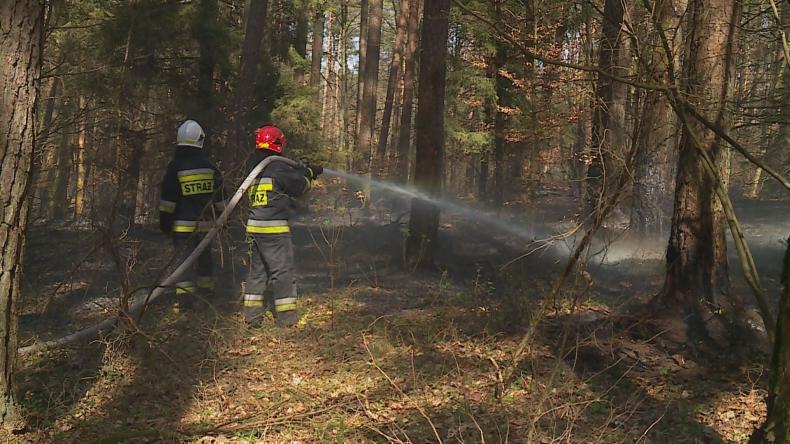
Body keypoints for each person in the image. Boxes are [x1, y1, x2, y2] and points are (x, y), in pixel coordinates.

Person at [242, 125, 322, 327]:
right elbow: (300, 186)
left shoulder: (253, 168)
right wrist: (309, 172)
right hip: (274, 231)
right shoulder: (278, 167)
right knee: (282, 272)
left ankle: (252, 318)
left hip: (253, 229)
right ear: (278, 143)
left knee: (256, 274)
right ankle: (286, 320)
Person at [158, 119, 223, 309]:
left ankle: (185, 301)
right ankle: (206, 295)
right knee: (205, 260)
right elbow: (221, 198)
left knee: (183, 263)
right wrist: (224, 219)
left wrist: (165, 222)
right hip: (206, 227)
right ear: (200, 140)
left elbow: (168, 200)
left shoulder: (175, 167)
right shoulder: (210, 167)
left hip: (182, 227)